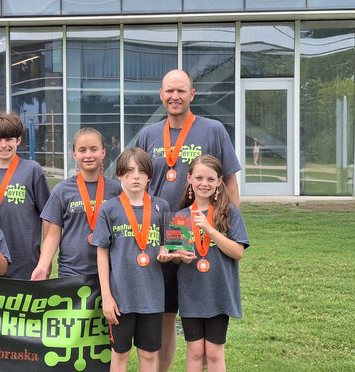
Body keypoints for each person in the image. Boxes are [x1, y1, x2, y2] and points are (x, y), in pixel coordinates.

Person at [135, 69, 241, 371]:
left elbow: (230, 180)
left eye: (181, 91)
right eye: (169, 91)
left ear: (192, 94)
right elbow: (136, 182)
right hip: (160, 236)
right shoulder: (149, 134)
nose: (175, 96)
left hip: (203, 234)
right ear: (161, 94)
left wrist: (229, 224)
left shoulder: (213, 130)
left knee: (202, 312)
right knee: (166, 315)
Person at [93, 148, 174, 372]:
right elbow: (102, 253)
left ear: (150, 176)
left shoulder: (162, 207)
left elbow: (172, 245)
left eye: (141, 171)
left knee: (149, 356)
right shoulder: (109, 209)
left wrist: (167, 250)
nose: (135, 176)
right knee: (120, 356)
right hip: (120, 300)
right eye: (129, 171)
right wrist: (107, 297)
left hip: (152, 298)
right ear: (119, 175)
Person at [172, 155, 249, 372]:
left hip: (218, 291)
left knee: (214, 352)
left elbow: (238, 252)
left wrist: (209, 229)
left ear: (219, 182)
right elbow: (175, 256)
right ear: (189, 178)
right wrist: (179, 255)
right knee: (195, 351)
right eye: (198, 178)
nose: (204, 183)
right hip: (191, 292)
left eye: (210, 179)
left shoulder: (230, 212)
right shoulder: (179, 217)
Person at [31, 128, 123, 280]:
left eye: (94, 149)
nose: (88, 155)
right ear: (74, 155)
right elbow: (52, 236)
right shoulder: (62, 191)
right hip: (71, 273)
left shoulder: (115, 190)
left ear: (103, 153)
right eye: (82, 150)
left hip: (109, 272)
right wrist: (43, 265)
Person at [0, 113, 50, 279]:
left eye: (8, 139)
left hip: (26, 262)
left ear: (18, 140)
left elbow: (48, 219)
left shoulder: (32, 170)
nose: (3, 145)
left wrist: (45, 261)